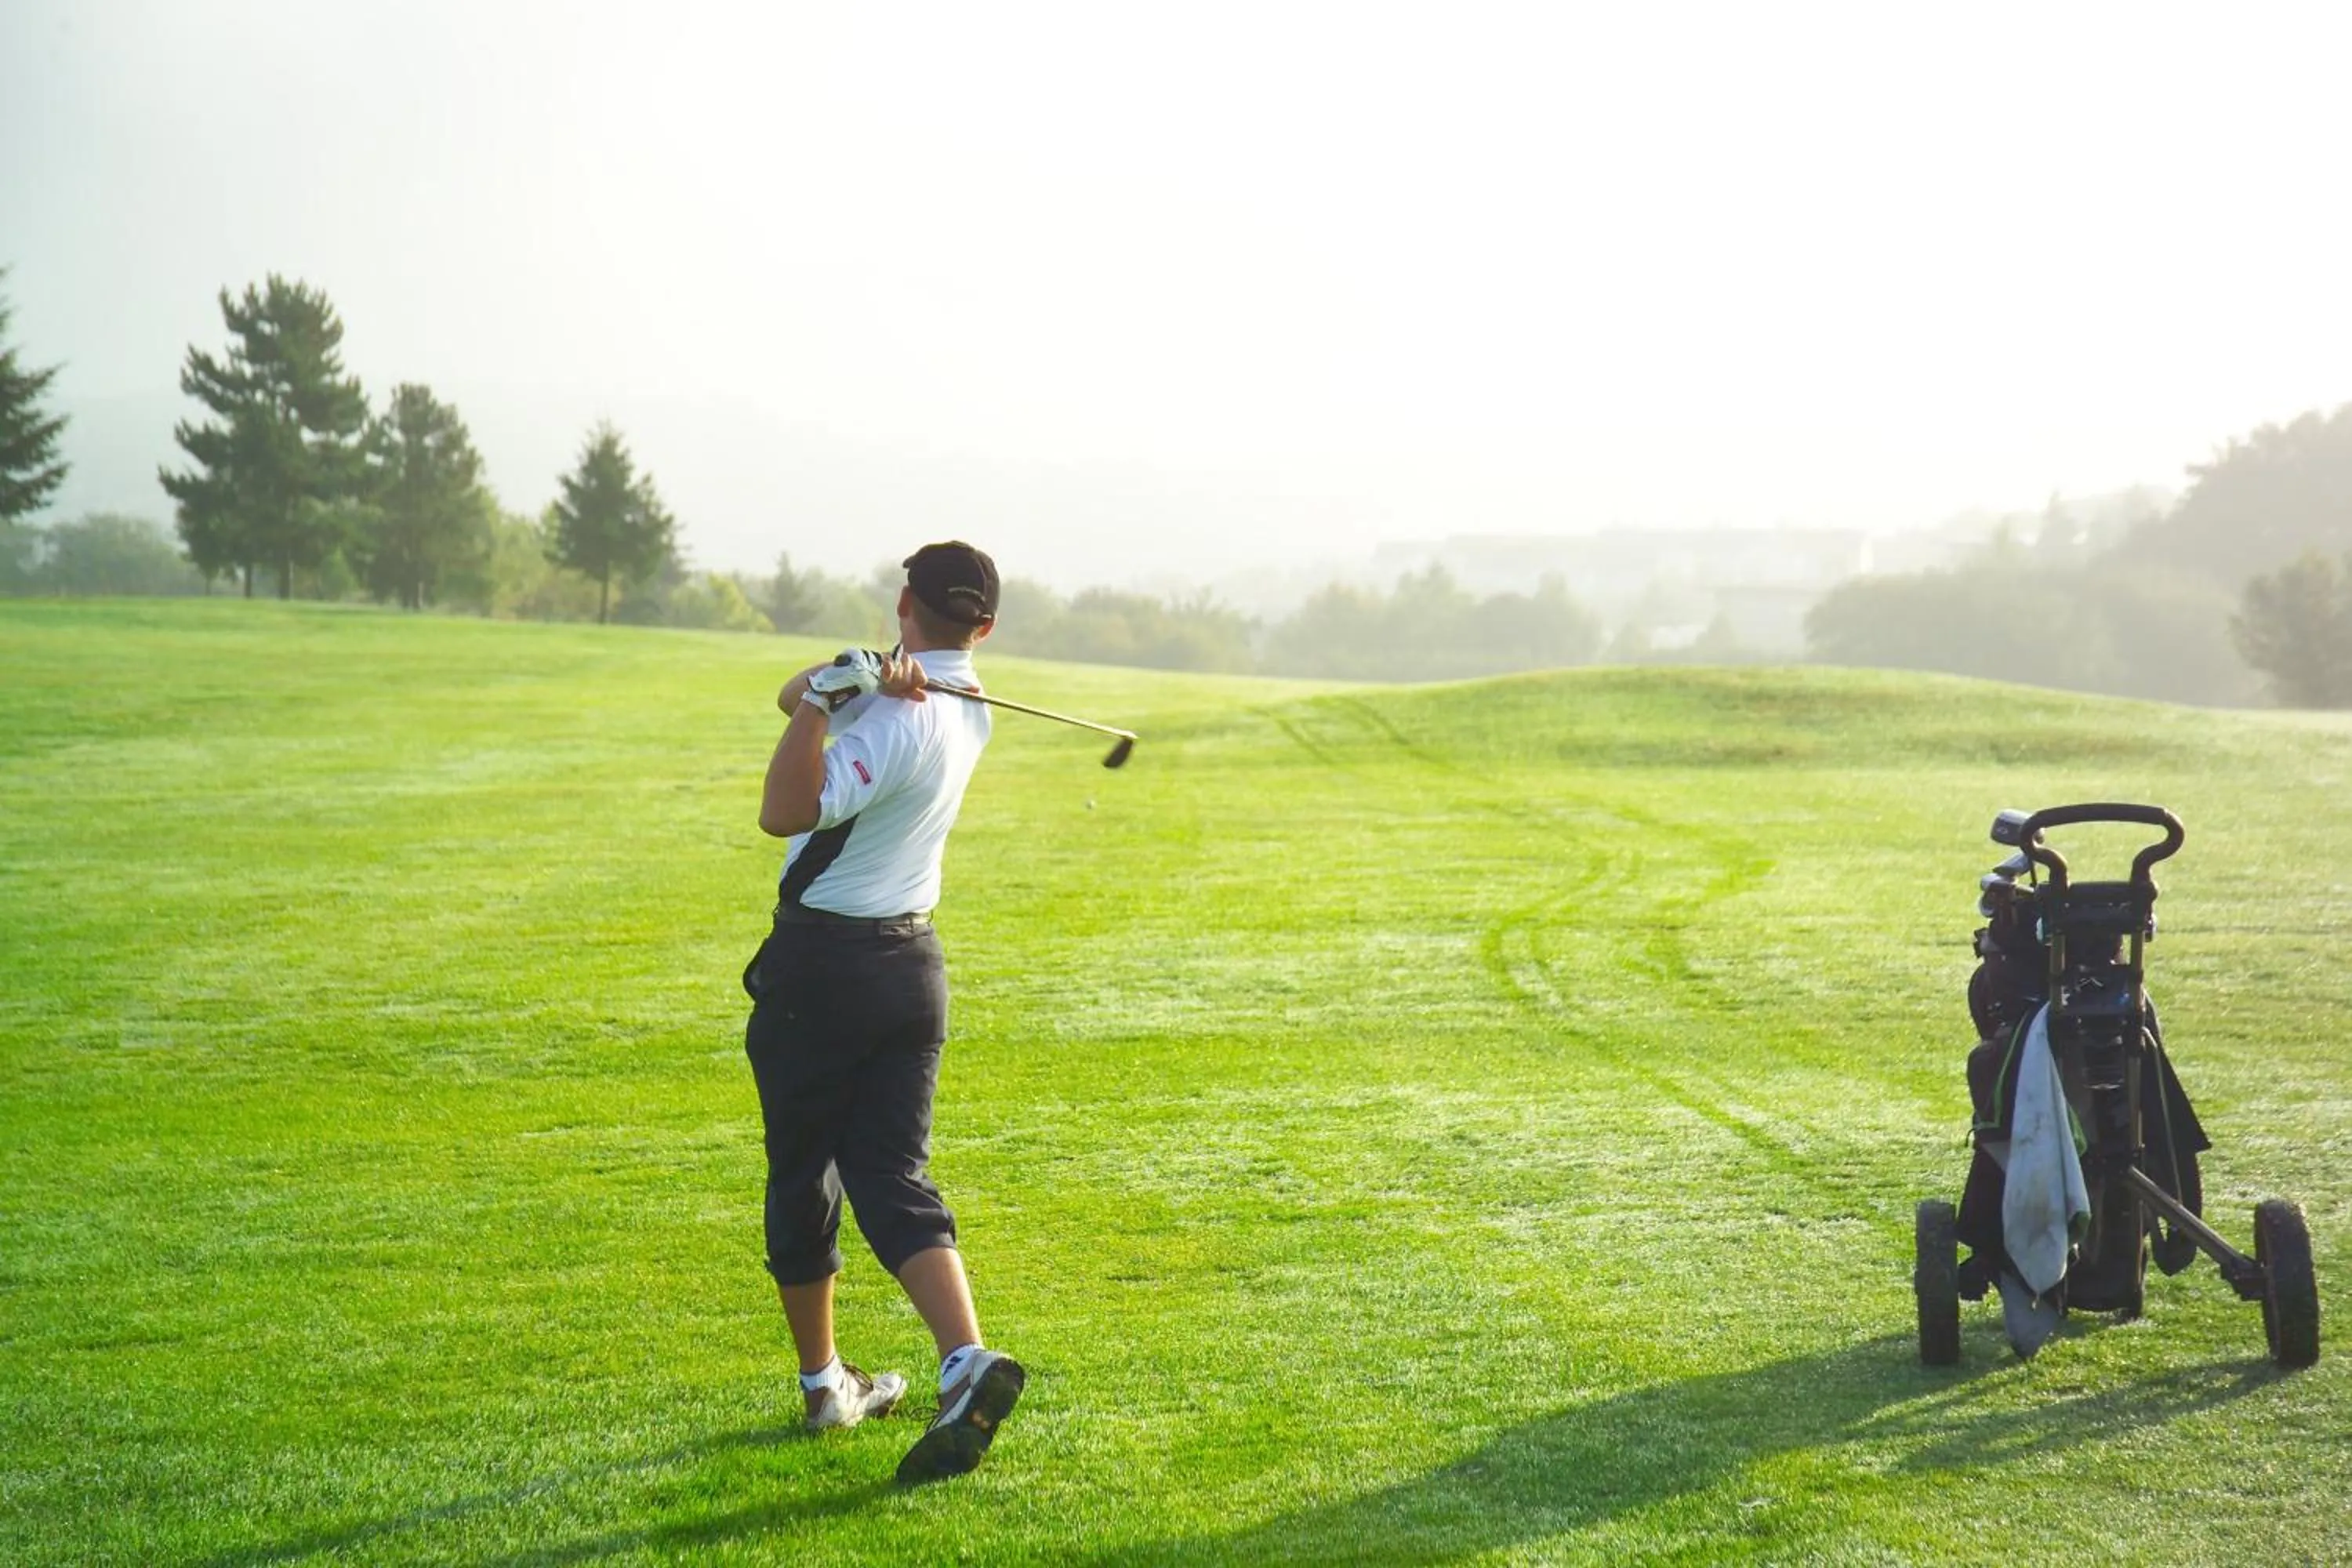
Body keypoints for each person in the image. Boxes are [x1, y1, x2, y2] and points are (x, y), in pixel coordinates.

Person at [741, 540, 1025, 1486]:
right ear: (983, 627)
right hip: (914, 969)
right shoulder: (970, 705)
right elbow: (797, 695)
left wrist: (837, 700)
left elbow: (785, 809)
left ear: (901, 599)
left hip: (823, 969)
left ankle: (826, 1382)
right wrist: (837, 679)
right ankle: (964, 1359)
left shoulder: (891, 719)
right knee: (892, 1172)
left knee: (805, 1173)